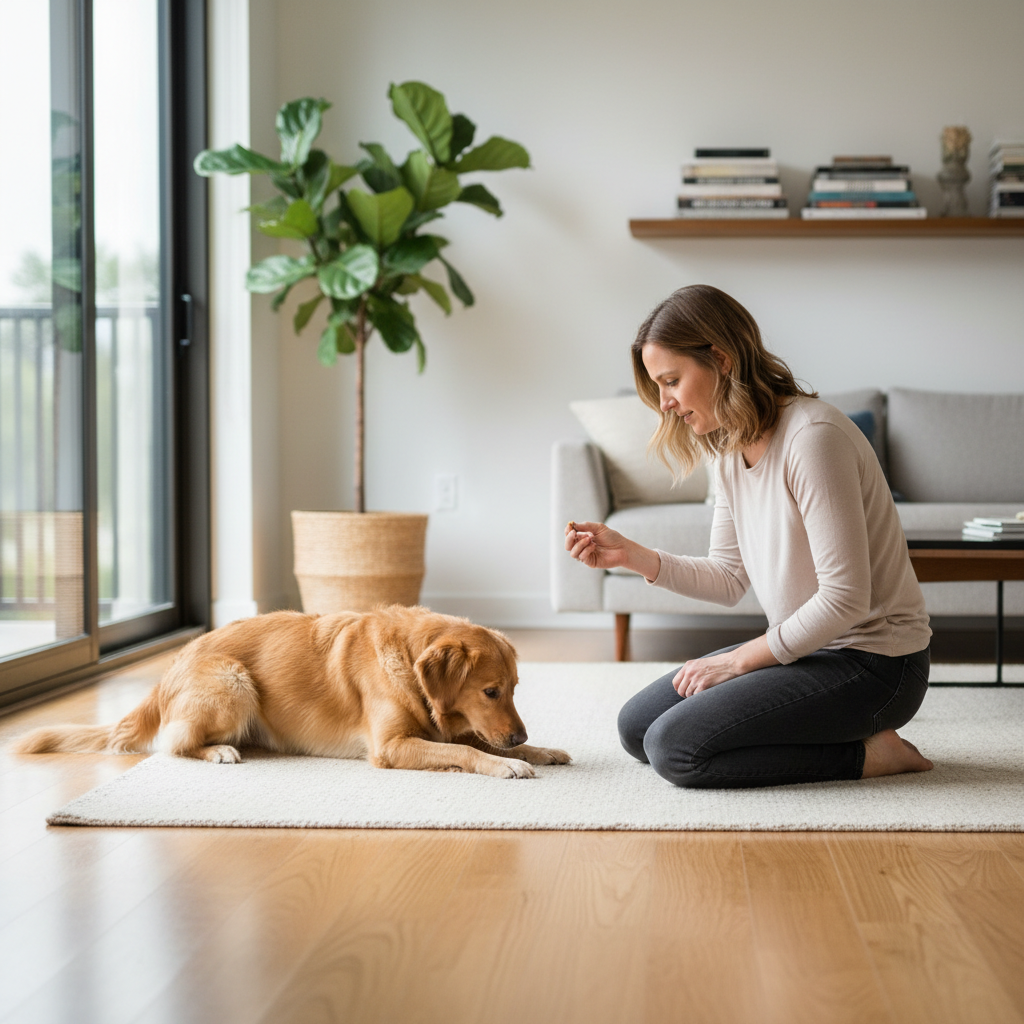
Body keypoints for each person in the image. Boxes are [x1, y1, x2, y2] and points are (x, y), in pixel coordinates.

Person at [565, 284, 934, 789]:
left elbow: (846, 599)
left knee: (675, 749)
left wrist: (738, 662)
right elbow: (728, 577)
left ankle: (869, 755)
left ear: (721, 359)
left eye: (671, 381)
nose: (665, 403)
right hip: (810, 652)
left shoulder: (813, 439)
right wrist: (631, 555)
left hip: (877, 665)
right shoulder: (729, 447)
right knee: (637, 728)